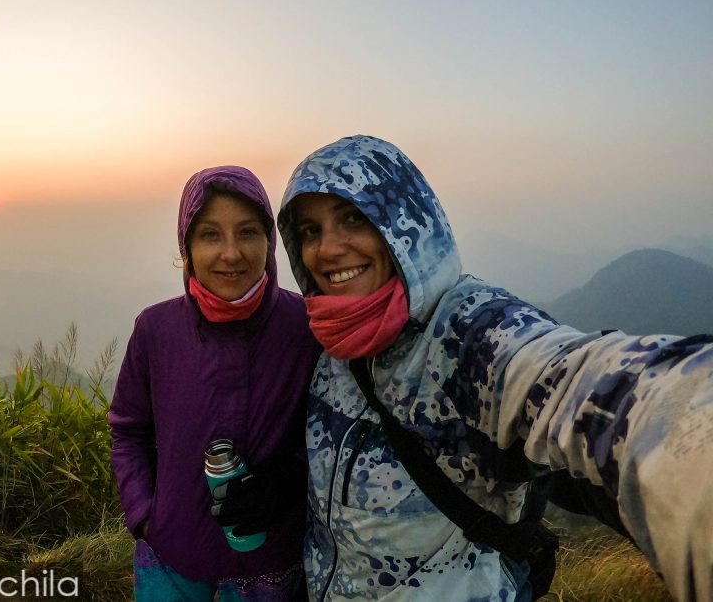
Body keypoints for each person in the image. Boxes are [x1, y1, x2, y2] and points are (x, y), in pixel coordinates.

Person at [276, 135, 713, 602]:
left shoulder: (464, 334)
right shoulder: (335, 346)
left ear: (404, 223)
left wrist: (689, 444)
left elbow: (574, 380)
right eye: (309, 231)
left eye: (354, 218)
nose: (326, 249)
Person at [108, 165, 323, 601]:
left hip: (274, 565)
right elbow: (128, 432)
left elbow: (330, 435)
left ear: (270, 242)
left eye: (247, 232)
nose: (231, 253)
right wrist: (146, 518)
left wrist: (284, 484)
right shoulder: (155, 329)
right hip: (171, 561)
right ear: (185, 247)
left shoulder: (306, 328)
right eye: (210, 235)